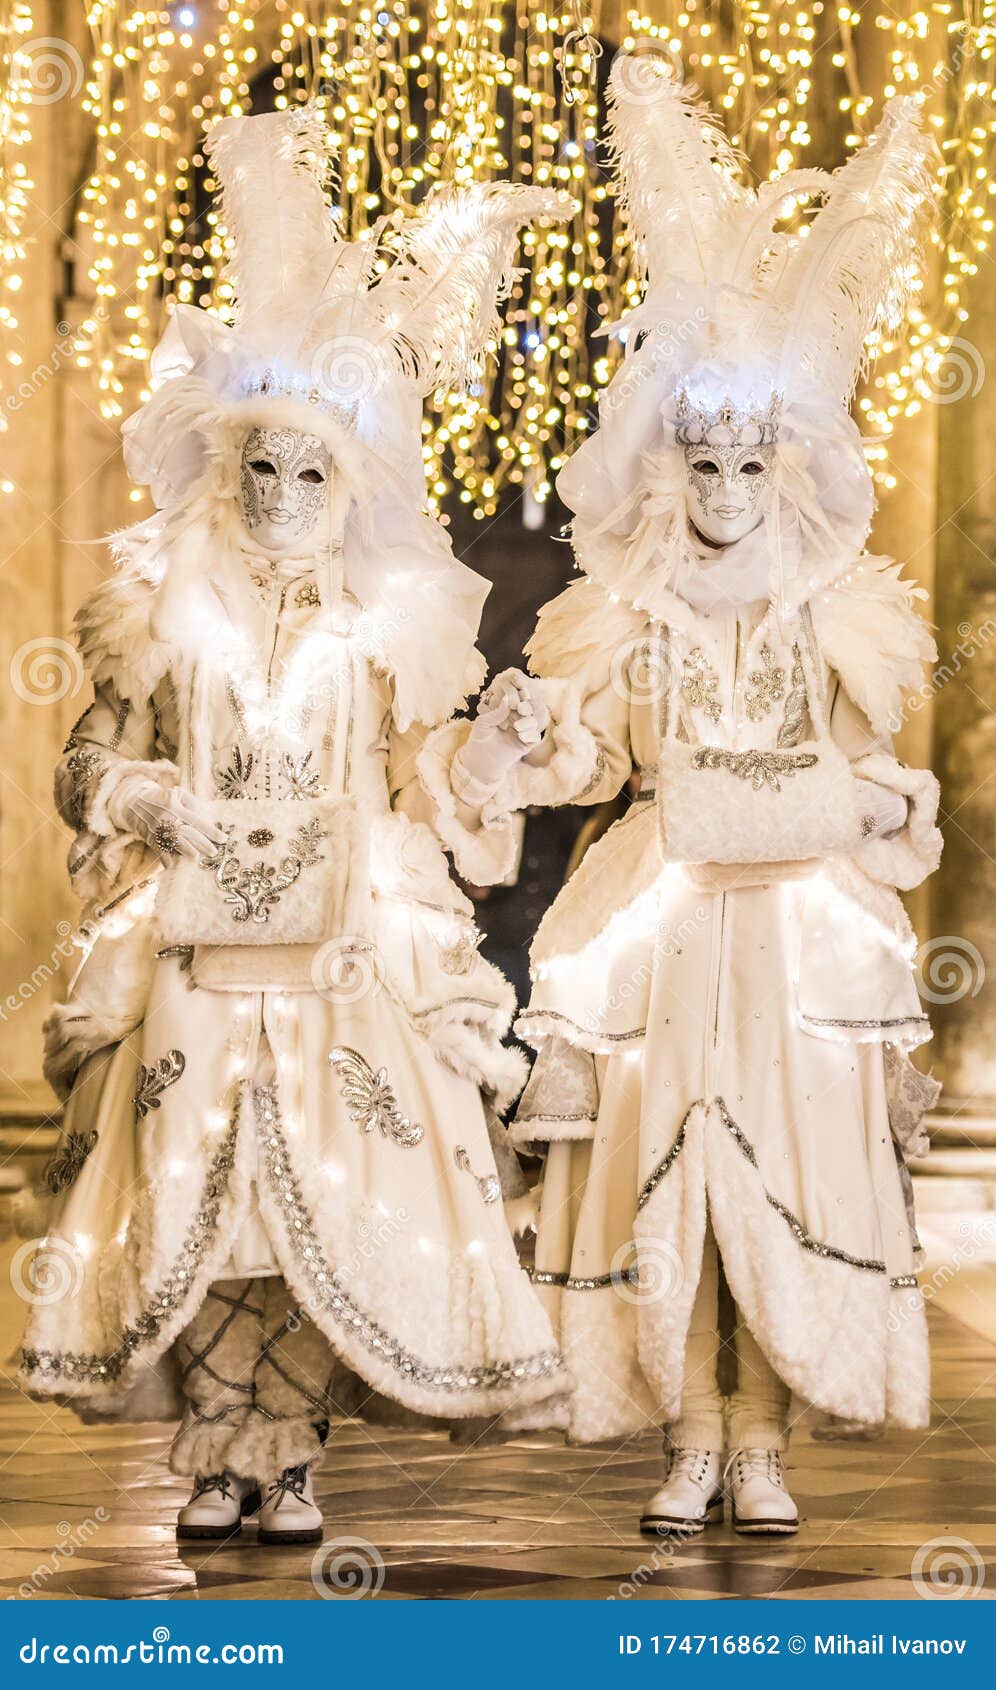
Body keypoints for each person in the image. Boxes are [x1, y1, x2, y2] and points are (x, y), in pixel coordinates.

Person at [21, 106, 574, 1545]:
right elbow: (88, 757)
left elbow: (423, 783)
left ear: (351, 484)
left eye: (308, 472)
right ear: (223, 466)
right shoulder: (155, 612)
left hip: (343, 945)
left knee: (336, 1187)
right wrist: (149, 799)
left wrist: (492, 753)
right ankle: (217, 1454)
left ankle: (299, 1457)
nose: (279, 495)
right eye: (258, 467)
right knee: (205, 1180)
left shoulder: (389, 631)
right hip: (200, 952)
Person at [419, 50, 942, 1537]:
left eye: (746, 462)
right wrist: (532, 736)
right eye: (701, 460)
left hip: (794, 926)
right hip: (659, 918)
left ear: (783, 471)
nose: (721, 488)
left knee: (786, 1166)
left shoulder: (840, 614)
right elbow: (592, 759)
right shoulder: (617, 612)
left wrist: (891, 806)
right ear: (671, 465)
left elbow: (860, 764)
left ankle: (764, 1436)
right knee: (669, 1172)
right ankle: (689, 1430)